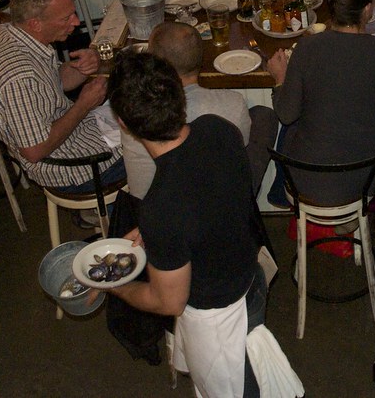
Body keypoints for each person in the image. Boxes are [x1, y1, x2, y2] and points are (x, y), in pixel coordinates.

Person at [105, 52, 276, 398]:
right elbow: (214, 201)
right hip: (251, 279)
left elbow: (169, 303)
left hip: (219, 318)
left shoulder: (160, 208)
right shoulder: (219, 129)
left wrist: (117, 287)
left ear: (123, 123)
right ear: (179, 93)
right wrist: (154, 235)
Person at [267, 0, 375, 206]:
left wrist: (280, 79)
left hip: (307, 180)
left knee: (296, 129)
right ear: (368, 9)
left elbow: (286, 113)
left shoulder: (306, 48)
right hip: (364, 180)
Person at [0, 0, 124, 191]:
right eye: (66, 18)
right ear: (36, 24)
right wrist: (84, 105)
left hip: (74, 131)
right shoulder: (18, 78)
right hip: (70, 167)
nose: (75, 22)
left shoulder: (8, 33)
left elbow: (52, 83)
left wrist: (83, 67)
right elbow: (35, 151)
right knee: (156, 139)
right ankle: (124, 214)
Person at [120, 22, 251, 200]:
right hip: (217, 204)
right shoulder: (234, 103)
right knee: (262, 116)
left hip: (150, 210)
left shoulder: (138, 113)